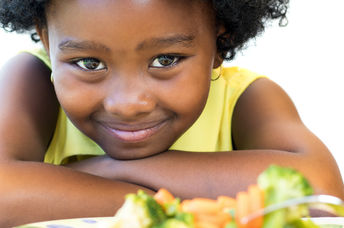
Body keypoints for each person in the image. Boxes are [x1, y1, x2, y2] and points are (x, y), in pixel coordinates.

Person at [0, 0, 343, 227]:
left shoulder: (245, 98)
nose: (128, 104)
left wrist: (105, 171)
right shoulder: (32, 79)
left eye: (165, 60)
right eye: (89, 64)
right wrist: (158, 205)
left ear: (219, 40)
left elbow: (321, 192)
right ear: (46, 39)